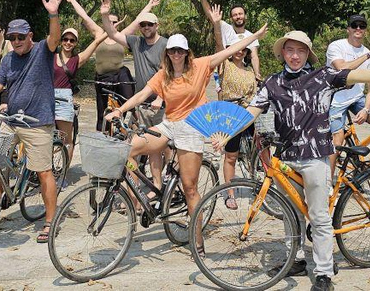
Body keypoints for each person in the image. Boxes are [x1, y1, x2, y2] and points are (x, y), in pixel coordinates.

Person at [215, 30, 370, 291]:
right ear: (282, 54)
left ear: (308, 54)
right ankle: (297, 259)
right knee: (291, 215)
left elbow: (357, 74)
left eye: (300, 51)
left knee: (319, 216)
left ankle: (323, 273)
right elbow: (251, 113)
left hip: (316, 157)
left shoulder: (322, 77)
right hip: (286, 158)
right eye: (290, 50)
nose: (295, 55)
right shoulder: (272, 83)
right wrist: (226, 136)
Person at [105, 26, 268, 252]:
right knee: (127, 149)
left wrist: (255, 37)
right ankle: (140, 198)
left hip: (192, 126)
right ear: (167, 53)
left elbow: (229, 51)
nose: (176, 55)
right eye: (172, 51)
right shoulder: (163, 74)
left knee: (189, 187)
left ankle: (197, 240)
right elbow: (142, 94)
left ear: (187, 52)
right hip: (169, 124)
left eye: (180, 50)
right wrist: (120, 110)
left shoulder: (200, 66)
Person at [0, 0, 62, 243]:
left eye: (21, 36)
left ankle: (50, 221)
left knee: (43, 172)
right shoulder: (8, 58)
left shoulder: (43, 50)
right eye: (13, 37)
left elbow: (55, 37)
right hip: (12, 120)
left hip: (38, 122)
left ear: (30, 36)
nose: (17, 41)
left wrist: (53, 14)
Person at [101, 0, 167, 187]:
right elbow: (112, 33)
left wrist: (161, 98)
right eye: (143, 25)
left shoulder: (165, 45)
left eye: (149, 24)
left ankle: (159, 185)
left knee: (157, 150)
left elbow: (169, 74)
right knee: (134, 147)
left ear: (156, 25)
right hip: (141, 105)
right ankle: (133, 193)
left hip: (160, 107)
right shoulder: (136, 42)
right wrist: (105, 15)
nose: (146, 27)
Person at [64, 0, 145, 131]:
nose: (112, 24)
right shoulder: (98, 32)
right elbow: (85, 16)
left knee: (126, 96)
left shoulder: (122, 35)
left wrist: (149, 5)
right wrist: (73, 2)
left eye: (114, 22)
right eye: (109, 21)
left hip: (119, 76)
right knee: (102, 113)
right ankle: (102, 137)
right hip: (102, 78)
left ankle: (130, 118)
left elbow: (138, 21)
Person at [208, 4, 258, 209]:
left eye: (243, 49)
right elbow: (220, 46)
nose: (239, 52)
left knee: (260, 150)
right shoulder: (224, 65)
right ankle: (229, 194)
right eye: (236, 48)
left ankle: (259, 184)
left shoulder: (250, 73)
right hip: (229, 114)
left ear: (246, 51)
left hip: (247, 114)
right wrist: (217, 24)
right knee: (231, 156)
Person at [325, 14, 370, 175]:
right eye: (354, 25)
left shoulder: (368, 53)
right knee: (337, 141)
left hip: (356, 98)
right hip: (335, 99)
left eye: (362, 26)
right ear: (348, 29)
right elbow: (342, 68)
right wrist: (367, 56)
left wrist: (366, 109)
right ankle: (328, 184)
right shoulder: (336, 46)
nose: (358, 28)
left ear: (365, 30)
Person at [53, 24, 106, 161]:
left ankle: (63, 173)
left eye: (72, 40)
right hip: (48, 97)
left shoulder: (77, 60)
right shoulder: (51, 56)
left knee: (66, 140)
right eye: (65, 39)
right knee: (43, 137)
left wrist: (111, 30)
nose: (68, 43)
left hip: (64, 99)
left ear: (76, 43)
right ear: (61, 40)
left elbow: (96, 43)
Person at [197, 0, 261, 80]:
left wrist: (257, 74)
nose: (238, 16)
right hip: (225, 70)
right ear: (231, 18)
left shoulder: (251, 36)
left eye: (240, 14)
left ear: (245, 16)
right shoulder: (226, 28)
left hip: (242, 72)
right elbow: (210, 15)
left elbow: (254, 56)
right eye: (235, 15)